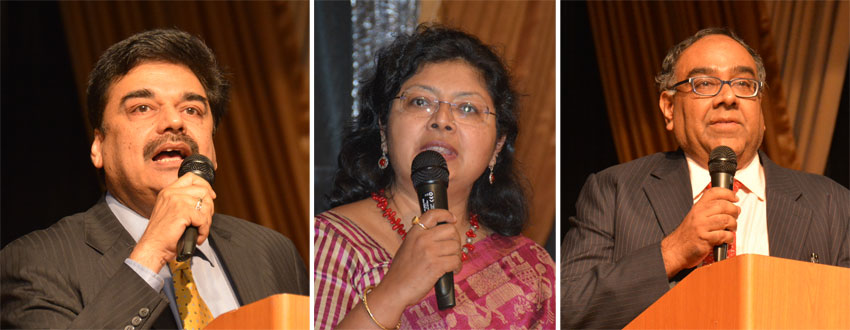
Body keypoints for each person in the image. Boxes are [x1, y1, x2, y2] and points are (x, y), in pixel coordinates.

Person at [1, 29, 309, 329]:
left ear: (213, 151)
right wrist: (151, 254)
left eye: (192, 109)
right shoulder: (36, 262)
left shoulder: (271, 251)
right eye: (142, 108)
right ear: (99, 147)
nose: (174, 122)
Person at [561, 27, 850, 329]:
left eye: (743, 83)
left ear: (760, 108)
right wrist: (672, 252)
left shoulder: (831, 204)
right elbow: (566, 310)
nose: (728, 97)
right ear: (669, 107)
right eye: (705, 84)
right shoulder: (614, 192)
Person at [314, 25, 556, 329]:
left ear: (497, 146)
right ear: (383, 130)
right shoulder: (330, 242)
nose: (442, 120)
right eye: (420, 102)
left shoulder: (531, 268)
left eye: (468, 108)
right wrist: (393, 292)